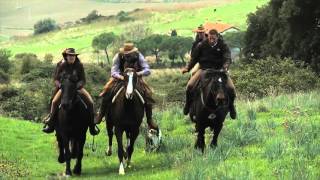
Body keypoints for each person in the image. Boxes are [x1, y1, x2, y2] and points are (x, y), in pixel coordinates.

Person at [95, 43, 159, 130]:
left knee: (148, 93)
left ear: (133, 52)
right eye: (126, 53)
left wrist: (137, 74)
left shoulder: (139, 56)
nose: (127, 55)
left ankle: (149, 119)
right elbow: (114, 71)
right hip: (120, 78)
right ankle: (101, 114)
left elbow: (147, 69)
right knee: (107, 90)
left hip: (136, 78)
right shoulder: (118, 56)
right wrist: (122, 77)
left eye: (129, 53)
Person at [181, 29, 237, 119]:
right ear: (208, 37)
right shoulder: (201, 45)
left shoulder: (223, 45)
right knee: (189, 86)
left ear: (217, 37)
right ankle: (187, 105)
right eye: (210, 38)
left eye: (213, 39)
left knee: (231, 88)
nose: (211, 40)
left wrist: (225, 67)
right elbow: (194, 59)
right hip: (204, 70)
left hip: (220, 70)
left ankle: (232, 107)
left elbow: (227, 57)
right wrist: (187, 68)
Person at [42, 48, 99, 135]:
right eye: (70, 56)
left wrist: (78, 85)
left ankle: (92, 125)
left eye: (73, 56)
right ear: (66, 56)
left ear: (75, 57)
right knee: (54, 101)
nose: (72, 57)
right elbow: (56, 79)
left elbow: (83, 79)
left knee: (90, 102)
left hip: (77, 88)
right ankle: (51, 123)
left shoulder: (79, 65)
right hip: (65, 88)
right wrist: (61, 86)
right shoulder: (62, 65)